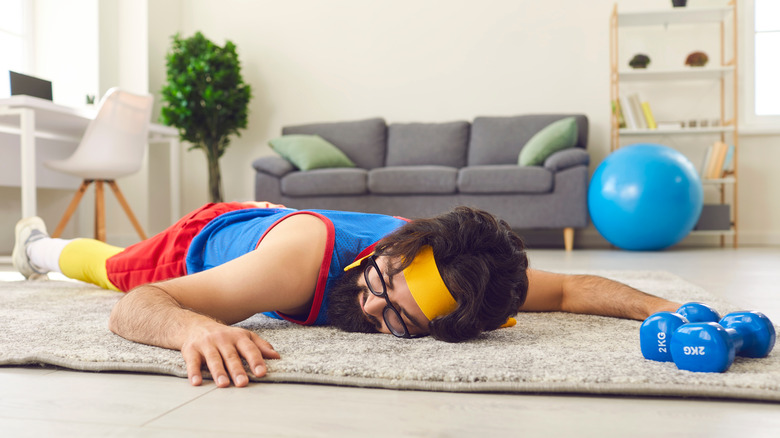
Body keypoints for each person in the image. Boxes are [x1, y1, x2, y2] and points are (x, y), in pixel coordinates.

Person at [13, 201, 680, 388]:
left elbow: (568, 292)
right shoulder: (298, 267)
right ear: (396, 247)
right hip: (210, 238)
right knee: (117, 269)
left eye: (397, 322)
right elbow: (136, 308)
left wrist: (666, 311)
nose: (368, 307)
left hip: (274, 223)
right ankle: (39, 248)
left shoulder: (464, 279)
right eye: (380, 284)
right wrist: (195, 330)